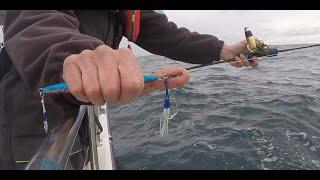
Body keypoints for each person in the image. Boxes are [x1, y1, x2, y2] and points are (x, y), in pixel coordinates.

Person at [0, 10, 258, 169]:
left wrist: (221, 50)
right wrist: (78, 58)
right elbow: (36, 23)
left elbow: (168, 35)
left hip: (75, 115)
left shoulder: (127, 13)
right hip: (27, 122)